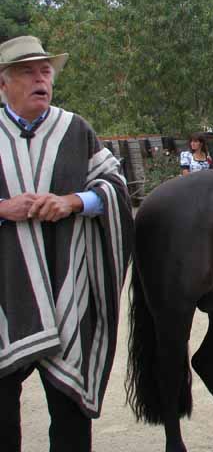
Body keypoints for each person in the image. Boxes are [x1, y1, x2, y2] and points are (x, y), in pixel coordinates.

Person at [0, 35, 133, 451]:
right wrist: (4, 209)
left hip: (69, 299)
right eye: (28, 72)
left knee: (70, 421)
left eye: (45, 71)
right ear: (3, 82)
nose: (41, 79)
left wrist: (73, 202)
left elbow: (115, 186)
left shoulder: (75, 130)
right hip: (5, 298)